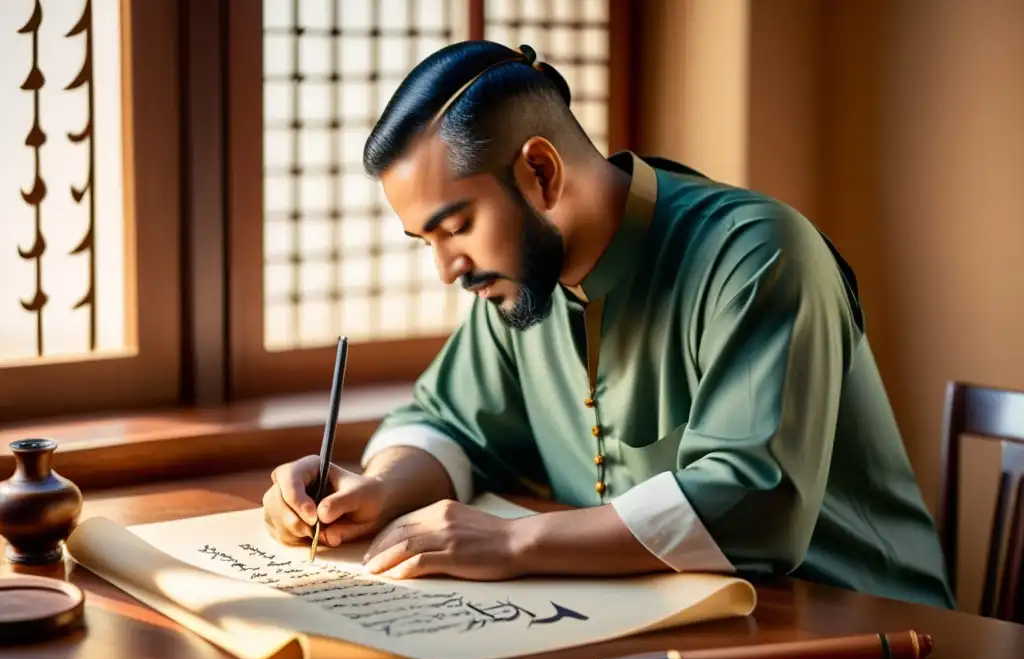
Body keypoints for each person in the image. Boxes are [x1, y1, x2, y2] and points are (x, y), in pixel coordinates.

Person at [262, 40, 955, 610]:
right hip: (660, 619)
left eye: (458, 227)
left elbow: (754, 502)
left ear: (540, 170)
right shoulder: (521, 286)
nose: (447, 269)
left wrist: (510, 544)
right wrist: (376, 488)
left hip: (858, 630)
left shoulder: (760, 255)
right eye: (427, 241)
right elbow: (451, 423)